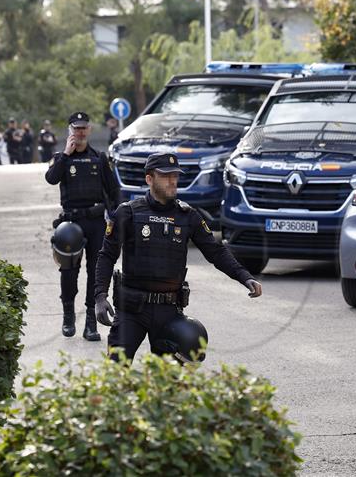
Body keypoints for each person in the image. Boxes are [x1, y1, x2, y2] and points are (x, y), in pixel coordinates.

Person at [93, 152, 263, 361]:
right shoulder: (128, 213)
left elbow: (215, 252)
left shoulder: (187, 216)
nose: (173, 181)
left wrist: (244, 276)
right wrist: (100, 296)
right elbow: (107, 256)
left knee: (171, 382)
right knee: (116, 372)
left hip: (169, 312)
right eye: (165, 176)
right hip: (132, 310)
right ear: (149, 179)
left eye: (175, 175)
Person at [45, 111, 120, 340]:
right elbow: (51, 178)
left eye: (83, 128)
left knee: (95, 271)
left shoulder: (99, 157)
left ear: (89, 130)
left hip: (96, 222)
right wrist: (66, 155)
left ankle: (91, 322)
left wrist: (114, 217)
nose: (79, 132)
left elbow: (113, 190)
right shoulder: (61, 157)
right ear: (70, 130)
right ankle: (68, 315)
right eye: (75, 128)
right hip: (70, 223)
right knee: (69, 271)